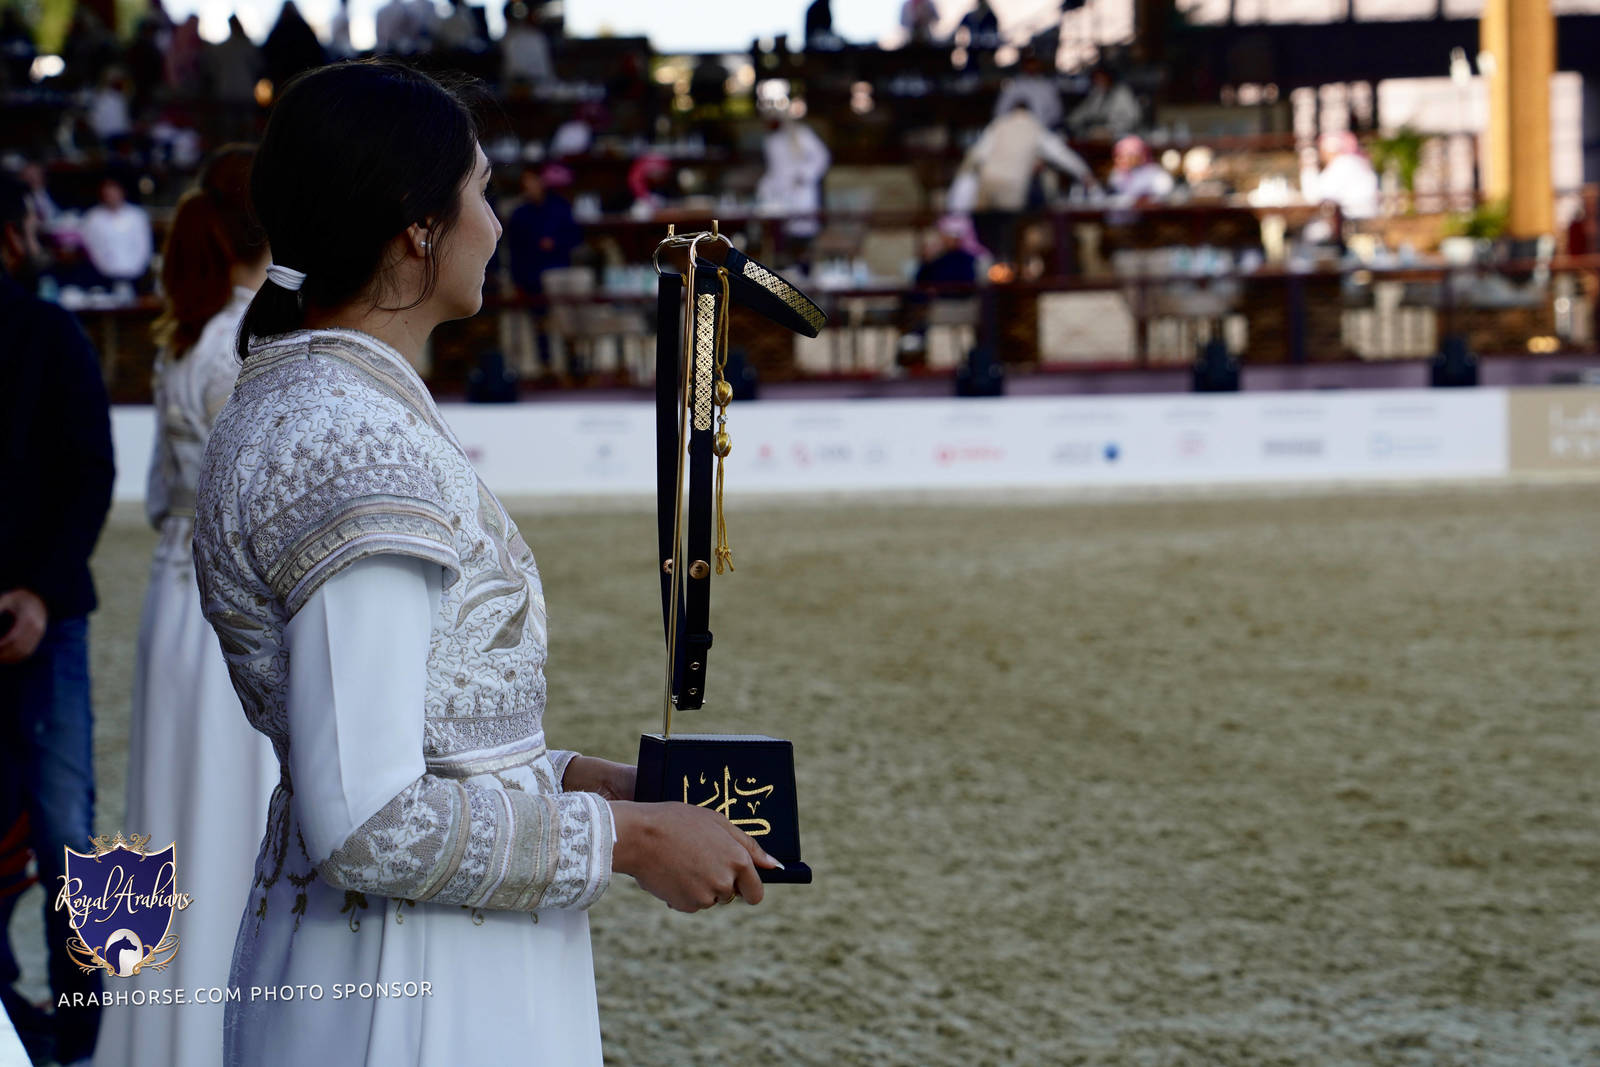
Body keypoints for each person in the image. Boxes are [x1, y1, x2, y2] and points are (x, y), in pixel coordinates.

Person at [191, 61, 779, 1066]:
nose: (497, 225)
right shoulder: (353, 444)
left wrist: (597, 782)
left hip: (397, 957)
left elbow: (417, 745)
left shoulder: (321, 404)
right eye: (482, 191)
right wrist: (628, 839)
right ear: (417, 227)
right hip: (412, 983)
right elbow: (370, 819)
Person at [91, 147, 277, 1067]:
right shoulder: (253, 343)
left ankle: (155, 1036)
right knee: (231, 821)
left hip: (171, 612)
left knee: (165, 816)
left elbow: (165, 499)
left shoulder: (184, 341)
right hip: (230, 619)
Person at [0, 172, 115, 1067]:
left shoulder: (49, 332)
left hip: (46, 623)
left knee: (68, 837)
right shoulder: (50, 329)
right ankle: (59, 1037)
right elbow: (91, 473)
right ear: (13, 235)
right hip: (45, 618)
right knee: (68, 835)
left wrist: (38, 592)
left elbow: (89, 474)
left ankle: (70, 1037)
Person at [956, 101, 1098, 262]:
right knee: (1009, 238)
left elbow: (977, 155)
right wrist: (1085, 174)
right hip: (1011, 194)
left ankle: (995, 267)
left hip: (987, 190)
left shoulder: (999, 125)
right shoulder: (1034, 127)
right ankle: (1010, 267)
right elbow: (1061, 154)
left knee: (990, 240)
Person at [505, 163, 581, 374]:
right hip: (532, 277)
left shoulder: (560, 208)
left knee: (567, 323)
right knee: (540, 325)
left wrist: (554, 243)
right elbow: (514, 250)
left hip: (559, 275)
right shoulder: (519, 214)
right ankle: (546, 367)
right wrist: (517, 280)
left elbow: (575, 237)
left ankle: (573, 367)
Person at [79, 175, 153, 291]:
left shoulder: (137, 216)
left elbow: (144, 247)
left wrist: (134, 271)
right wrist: (106, 270)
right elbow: (91, 248)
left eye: (114, 192)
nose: (111, 196)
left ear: (122, 192)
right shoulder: (93, 217)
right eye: (107, 193)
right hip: (103, 277)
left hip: (135, 276)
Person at [1302, 130, 1379, 222]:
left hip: (1353, 219)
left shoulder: (1342, 164)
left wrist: (1308, 169)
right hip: (1366, 216)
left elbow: (1313, 197)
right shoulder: (1356, 161)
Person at [1068, 65, 1141, 138]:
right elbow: (1082, 112)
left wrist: (1111, 130)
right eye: (1096, 78)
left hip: (1120, 134)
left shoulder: (1122, 92)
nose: (1099, 81)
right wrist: (1071, 122)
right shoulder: (1096, 92)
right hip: (1095, 132)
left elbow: (1132, 118)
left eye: (1101, 78)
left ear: (1109, 77)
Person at [1107, 135, 1174, 203]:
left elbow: (1163, 196)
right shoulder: (1117, 174)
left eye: (1129, 156)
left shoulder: (1155, 174)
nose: (1123, 160)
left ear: (1141, 156)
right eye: (1120, 156)